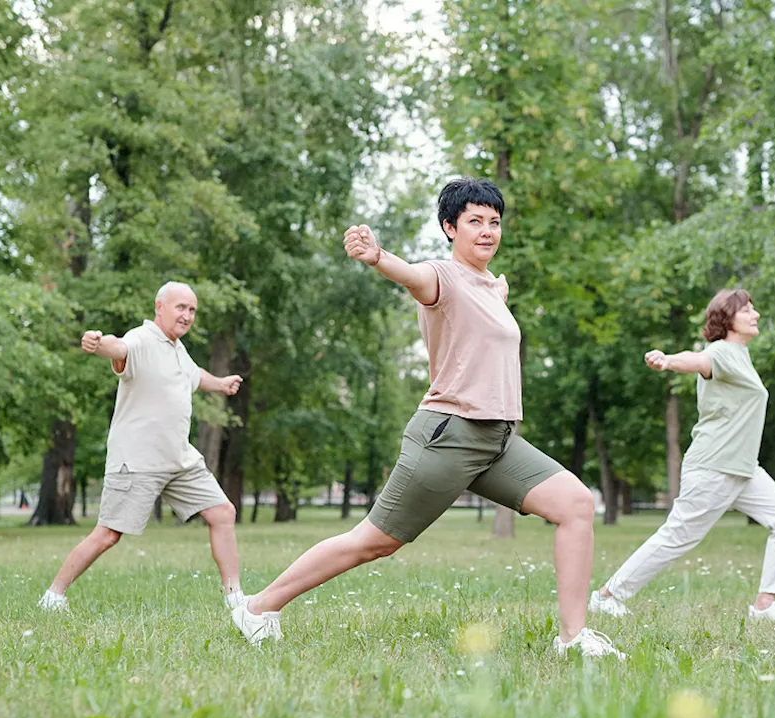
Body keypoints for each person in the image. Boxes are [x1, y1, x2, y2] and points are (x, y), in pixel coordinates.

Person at [232, 177, 623, 658]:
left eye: (494, 222)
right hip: (449, 437)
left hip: (498, 440)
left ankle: (573, 639)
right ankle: (257, 608)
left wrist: (496, 297)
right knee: (373, 542)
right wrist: (378, 257)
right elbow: (415, 277)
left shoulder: (485, 287)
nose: (487, 231)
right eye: (474, 221)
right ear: (449, 227)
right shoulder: (443, 275)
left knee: (577, 505)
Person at [589, 289, 775, 622]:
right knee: (677, 537)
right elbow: (699, 360)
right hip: (714, 467)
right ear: (727, 319)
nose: (755, 314)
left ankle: (765, 605)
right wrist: (668, 361)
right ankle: (608, 596)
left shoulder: (740, 355)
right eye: (746, 310)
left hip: (743, 469)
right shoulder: (723, 351)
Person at [40, 282, 244, 614]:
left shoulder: (177, 348)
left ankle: (236, 598)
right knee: (108, 534)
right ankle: (53, 596)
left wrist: (220, 384)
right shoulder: (143, 339)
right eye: (181, 307)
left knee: (223, 513)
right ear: (159, 307)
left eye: (192, 310)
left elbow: (194, 376)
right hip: (138, 460)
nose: (187, 316)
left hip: (180, 459)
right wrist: (97, 343)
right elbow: (119, 349)